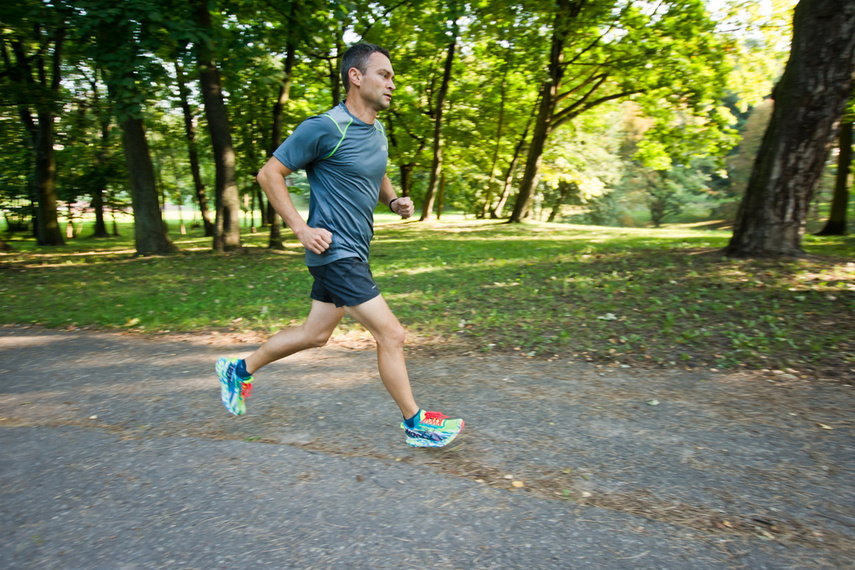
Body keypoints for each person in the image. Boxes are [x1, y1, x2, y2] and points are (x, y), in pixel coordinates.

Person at [216, 43, 463, 448]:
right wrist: (300, 228)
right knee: (392, 334)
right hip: (335, 251)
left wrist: (393, 199)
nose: (392, 85)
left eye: (393, 78)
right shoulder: (325, 127)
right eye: (383, 75)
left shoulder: (377, 129)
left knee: (315, 335)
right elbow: (268, 175)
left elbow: (375, 171)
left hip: (354, 251)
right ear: (355, 77)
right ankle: (415, 423)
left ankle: (239, 369)